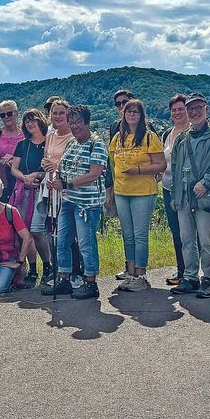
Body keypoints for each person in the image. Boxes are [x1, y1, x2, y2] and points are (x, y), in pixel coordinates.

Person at [42, 105, 107, 300]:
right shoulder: (71, 143)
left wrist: (66, 184)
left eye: (78, 121)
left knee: (86, 243)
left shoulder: (97, 143)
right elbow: (63, 167)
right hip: (68, 200)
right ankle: (64, 279)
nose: (75, 125)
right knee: (62, 241)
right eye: (72, 122)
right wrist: (57, 178)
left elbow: (94, 174)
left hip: (87, 204)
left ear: (87, 122)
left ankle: (90, 282)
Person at [170, 93, 210, 299]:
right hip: (183, 196)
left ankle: (208, 279)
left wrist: (206, 182)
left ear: (206, 109)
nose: (194, 112)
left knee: (206, 240)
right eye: (190, 109)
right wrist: (175, 195)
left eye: (198, 108)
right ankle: (190, 276)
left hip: (205, 195)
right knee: (186, 239)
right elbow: (175, 167)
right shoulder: (181, 139)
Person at [107, 99, 163, 292]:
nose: (131, 114)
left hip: (143, 192)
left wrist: (138, 170)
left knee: (140, 235)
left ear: (141, 116)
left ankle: (141, 274)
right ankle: (130, 274)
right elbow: (112, 164)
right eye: (128, 111)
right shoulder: (117, 138)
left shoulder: (149, 137)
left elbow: (161, 165)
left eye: (135, 112)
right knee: (127, 235)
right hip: (122, 191)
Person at [9, 108, 48, 285]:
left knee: (38, 231)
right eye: (27, 121)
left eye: (33, 120)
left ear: (40, 121)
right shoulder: (22, 144)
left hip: (43, 192)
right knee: (25, 231)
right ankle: (33, 268)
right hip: (23, 191)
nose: (30, 124)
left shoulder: (49, 143)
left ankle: (48, 265)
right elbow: (14, 168)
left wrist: (37, 175)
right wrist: (25, 178)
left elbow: (51, 165)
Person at [159, 94, 189, 286]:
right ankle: (182, 271)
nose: (177, 113)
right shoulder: (167, 134)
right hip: (167, 188)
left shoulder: (192, 132)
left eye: (181, 109)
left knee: (188, 232)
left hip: (186, 189)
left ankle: (191, 272)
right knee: (176, 231)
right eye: (174, 110)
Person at [0, 100, 25, 202]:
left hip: (19, 185)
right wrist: (2, 162)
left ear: (16, 114)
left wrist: (14, 160)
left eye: (9, 113)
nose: (6, 117)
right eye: (2, 115)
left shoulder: (25, 136)